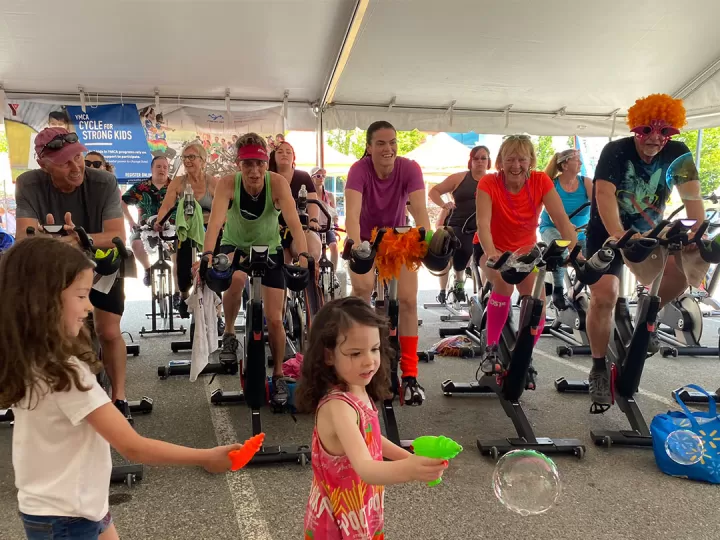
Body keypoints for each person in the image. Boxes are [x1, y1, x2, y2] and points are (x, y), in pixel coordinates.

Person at [0, 237, 244, 540]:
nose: (89, 305)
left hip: (66, 507)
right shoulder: (67, 375)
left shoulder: (29, 358)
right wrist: (205, 456)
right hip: (69, 517)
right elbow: (132, 446)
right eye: (80, 295)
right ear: (43, 300)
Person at [584, 94, 704, 406]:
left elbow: (693, 200)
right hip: (608, 232)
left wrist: (695, 231)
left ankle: (646, 316)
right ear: (636, 129)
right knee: (604, 296)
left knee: (684, 273)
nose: (655, 138)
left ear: (672, 132)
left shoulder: (678, 153)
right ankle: (598, 368)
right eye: (647, 130)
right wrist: (618, 235)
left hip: (651, 232)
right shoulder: (616, 151)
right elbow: (604, 195)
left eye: (665, 132)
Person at [296, 297, 447, 539]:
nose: (369, 360)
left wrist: (410, 457)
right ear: (328, 356)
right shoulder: (338, 407)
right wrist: (410, 469)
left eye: (375, 349)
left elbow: (371, 438)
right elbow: (366, 469)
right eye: (355, 353)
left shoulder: (357, 388)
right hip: (336, 524)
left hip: (359, 509)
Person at [14, 128, 133, 421]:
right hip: (58, 268)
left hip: (102, 264)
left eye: (78, 156)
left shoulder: (104, 181)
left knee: (108, 331)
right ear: (44, 165)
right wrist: (49, 241)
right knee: (58, 331)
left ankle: (119, 398)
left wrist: (79, 240)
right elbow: (23, 237)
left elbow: (117, 234)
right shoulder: (29, 183)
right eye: (65, 162)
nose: (76, 166)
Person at [201, 133, 308, 405]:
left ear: (266, 163)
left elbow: (295, 225)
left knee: (274, 318)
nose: (254, 170)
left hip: (268, 248)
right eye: (247, 164)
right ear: (239, 164)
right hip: (234, 245)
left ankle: (280, 374)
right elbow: (214, 224)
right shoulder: (227, 184)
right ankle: (228, 336)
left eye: (259, 163)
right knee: (235, 280)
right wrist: (208, 255)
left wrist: (305, 257)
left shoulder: (278, 184)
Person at [345, 120, 432, 406]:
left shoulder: (410, 168)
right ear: (369, 148)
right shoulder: (359, 170)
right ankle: (357, 368)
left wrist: (427, 242)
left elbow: (420, 213)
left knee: (407, 300)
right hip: (366, 239)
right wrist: (358, 248)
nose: (388, 148)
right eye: (380, 143)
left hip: (399, 237)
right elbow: (352, 216)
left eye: (392, 142)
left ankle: (410, 376)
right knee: (362, 290)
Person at [475, 134, 577, 374]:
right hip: (492, 248)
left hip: (525, 252)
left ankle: (525, 352)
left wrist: (574, 250)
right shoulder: (488, 183)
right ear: (500, 161)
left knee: (538, 302)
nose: (516, 166)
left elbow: (561, 218)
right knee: (503, 286)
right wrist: (493, 255)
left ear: (531, 160)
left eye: (522, 159)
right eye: (510, 160)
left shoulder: (541, 181)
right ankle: (490, 349)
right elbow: (483, 223)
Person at [156, 142, 218, 312]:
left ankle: (218, 313)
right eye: (185, 157)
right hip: (187, 229)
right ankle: (184, 297)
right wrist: (159, 222)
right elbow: (167, 206)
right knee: (182, 268)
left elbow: (224, 209)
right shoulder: (178, 182)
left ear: (203, 160)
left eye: (192, 157)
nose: (187, 161)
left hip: (210, 229)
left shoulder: (212, 182)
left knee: (217, 268)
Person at [428, 145, 492, 304]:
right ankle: (459, 280)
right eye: (476, 158)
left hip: (484, 225)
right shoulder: (459, 178)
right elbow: (434, 191)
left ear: (488, 161)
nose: (479, 162)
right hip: (459, 225)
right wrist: (444, 204)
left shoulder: (493, 181)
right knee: (465, 246)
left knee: (489, 254)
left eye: (483, 158)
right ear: (470, 161)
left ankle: (486, 290)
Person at [538, 149, 593, 308]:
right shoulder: (552, 184)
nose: (581, 163)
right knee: (561, 244)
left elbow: (598, 207)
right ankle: (558, 289)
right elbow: (550, 209)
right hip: (552, 227)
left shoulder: (586, 183)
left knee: (592, 257)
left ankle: (576, 289)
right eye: (577, 160)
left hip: (580, 232)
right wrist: (567, 226)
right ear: (565, 164)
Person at [121, 156, 172, 286]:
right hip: (145, 229)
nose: (162, 170)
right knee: (136, 244)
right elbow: (122, 202)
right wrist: (131, 221)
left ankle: (179, 290)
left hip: (171, 228)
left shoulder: (174, 187)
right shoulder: (141, 187)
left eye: (165, 167)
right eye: (158, 166)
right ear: (152, 168)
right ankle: (148, 269)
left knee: (183, 249)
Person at [270, 141, 322, 264]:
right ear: (273, 156)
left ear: (293, 157)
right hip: (275, 229)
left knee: (311, 251)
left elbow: (313, 202)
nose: (285, 154)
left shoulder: (303, 176)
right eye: (280, 152)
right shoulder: (267, 177)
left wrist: (313, 220)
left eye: (289, 152)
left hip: (301, 226)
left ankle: (308, 279)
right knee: (282, 262)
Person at [310, 166, 340, 274]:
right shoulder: (310, 195)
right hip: (314, 228)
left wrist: (335, 226)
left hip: (327, 227)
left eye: (323, 176)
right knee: (315, 249)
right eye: (318, 176)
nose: (321, 178)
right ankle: (315, 273)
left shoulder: (329, 196)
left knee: (334, 247)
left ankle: (334, 273)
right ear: (312, 178)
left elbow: (334, 213)